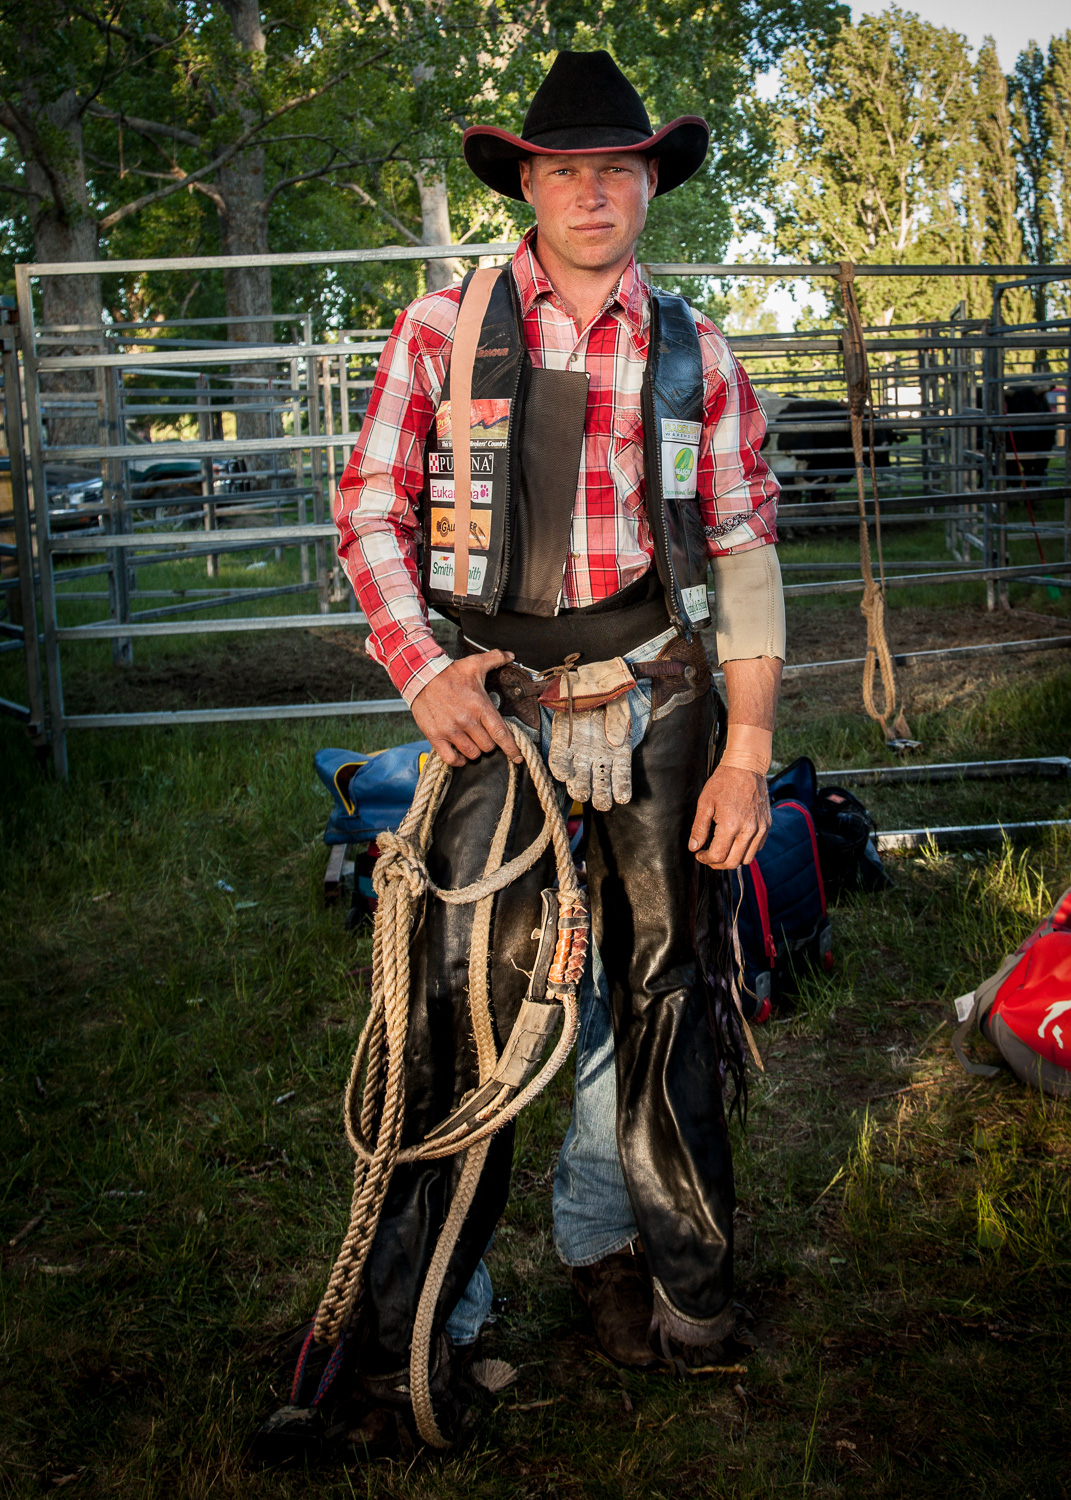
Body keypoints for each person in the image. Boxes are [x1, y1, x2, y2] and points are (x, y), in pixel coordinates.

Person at [258, 48, 785, 1457]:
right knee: (463, 1013)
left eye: (619, 167)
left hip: (660, 696)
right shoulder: (444, 329)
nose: (594, 190)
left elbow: (739, 549)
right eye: (567, 168)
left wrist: (747, 746)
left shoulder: (698, 351)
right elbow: (371, 504)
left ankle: (668, 1284)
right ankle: (425, 1317)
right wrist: (422, 669)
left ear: (651, 185)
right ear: (531, 184)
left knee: (668, 988)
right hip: (499, 693)